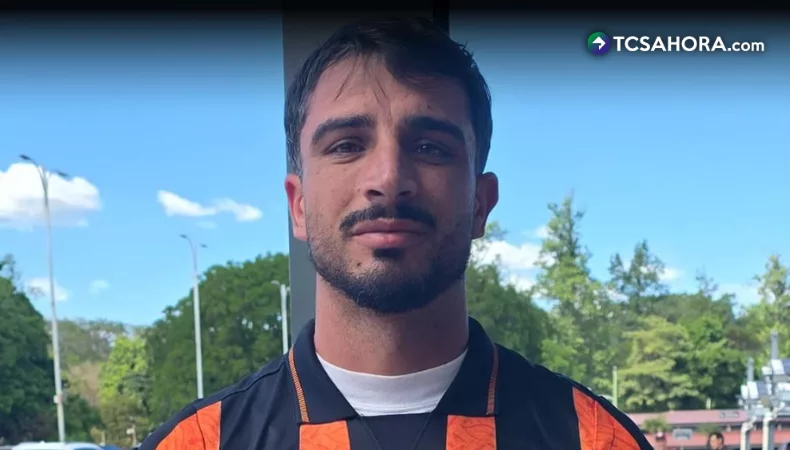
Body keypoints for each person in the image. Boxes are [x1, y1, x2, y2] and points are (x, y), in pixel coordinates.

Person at [140, 16, 653, 449]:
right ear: (298, 206)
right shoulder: (198, 442)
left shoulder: (594, 439)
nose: (388, 178)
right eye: (346, 145)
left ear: (481, 203)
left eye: (430, 147)